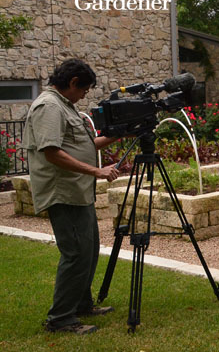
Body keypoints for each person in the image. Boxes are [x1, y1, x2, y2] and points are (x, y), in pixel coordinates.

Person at [22, 59, 121, 335]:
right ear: (73, 82)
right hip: (62, 193)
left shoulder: (65, 106)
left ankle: (81, 304)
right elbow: (51, 152)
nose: (84, 96)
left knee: (88, 252)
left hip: (78, 191)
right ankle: (61, 318)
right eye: (84, 90)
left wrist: (122, 134)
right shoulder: (49, 107)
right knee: (76, 253)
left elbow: (85, 144)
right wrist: (96, 171)